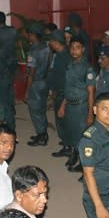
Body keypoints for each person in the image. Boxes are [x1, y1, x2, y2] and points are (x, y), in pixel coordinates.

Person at [59, 37, 96, 172]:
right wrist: (63, 105)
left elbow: (91, 92)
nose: (74, 51)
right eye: (72, 47)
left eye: (78, 47)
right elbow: (68, 88)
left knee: (83, 137)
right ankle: (75, 156)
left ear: (83, 49)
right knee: (72, 134)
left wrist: (91, 113)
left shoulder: (87, 68)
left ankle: (84, 164)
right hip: (70, 105)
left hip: (81, 106)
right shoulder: (70, 64)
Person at [0, 11, 18, 128]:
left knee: (3, 98)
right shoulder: (13, 30)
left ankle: (10, 125)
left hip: (2, 69)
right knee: (9, 92)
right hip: (12, 64)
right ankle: (12, 112)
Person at [44, 30, 70, 152]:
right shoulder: (58, 55)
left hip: (65, 94)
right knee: (59, 120)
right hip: (58, 91)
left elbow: (68, 80)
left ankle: (68, 146)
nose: (49, 43)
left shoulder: (66, 57)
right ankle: (65, 141)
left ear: (56, 42)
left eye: (51, 41)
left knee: (64, 120)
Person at [25, 23, 51, 145]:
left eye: (29, 34)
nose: (28, 36)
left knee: (34, 110)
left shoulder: (33, 50)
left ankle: (42, 136)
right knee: (41, 108)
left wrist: (27, 90)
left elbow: (31, 72)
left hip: (36, 83)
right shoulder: (46, 47)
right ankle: (43, 132)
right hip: (45, 81)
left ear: (33, 35)